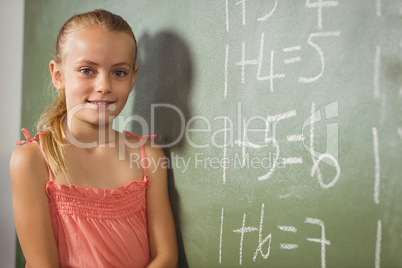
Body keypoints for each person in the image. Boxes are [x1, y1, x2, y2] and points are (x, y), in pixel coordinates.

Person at [10, 9, 178, 268]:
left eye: (118, 73)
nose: (104, 85)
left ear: (133, 78)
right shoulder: (31, 161)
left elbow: (166, 257)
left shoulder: (148, 156)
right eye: (87, 70)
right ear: (58, 75)